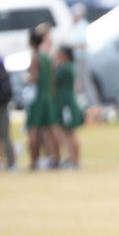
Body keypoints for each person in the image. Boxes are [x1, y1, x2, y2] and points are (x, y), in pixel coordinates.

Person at [25, 24, 60, 170]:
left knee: (33, 130)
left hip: (38, 98)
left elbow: (34, 78)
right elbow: (52, 80)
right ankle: (56, 159)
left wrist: (27, 78)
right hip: (48, 97)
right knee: (52, 128)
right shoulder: (47, 57)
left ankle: (35, 161)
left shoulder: (35, 57)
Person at [53, 45, 84, 169]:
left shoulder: (65, 68)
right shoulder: (69, 66)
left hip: (66, 104)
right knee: (67, 132)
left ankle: (74, 160)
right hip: (66, 102)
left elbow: (54, 80)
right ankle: (71, 158)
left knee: (70, 132)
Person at [0, 54, 16, 170]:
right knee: (5, 134)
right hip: (3, 103)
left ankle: (11, 162)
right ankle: (10, 162)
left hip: (2, 103)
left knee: (4, 134)